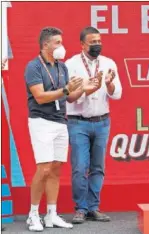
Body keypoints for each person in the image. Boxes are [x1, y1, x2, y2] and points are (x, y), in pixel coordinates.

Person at [24, 27, 83, 231]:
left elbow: (68, 97)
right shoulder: (33, 67)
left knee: (56, 168)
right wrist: (66, 89)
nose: (61, 46)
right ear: (45, 44)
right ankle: (33, 214)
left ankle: (51, 215)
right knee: (44, 168)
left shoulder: (62, 67)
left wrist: (82, 88)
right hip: (41, 121)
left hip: (60, 121)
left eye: (61, 42)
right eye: (57, 42)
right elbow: (40, 96)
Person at [65, 26, 122, 224]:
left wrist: (109, 84)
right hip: (78, 122)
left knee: (98, 167)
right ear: (82, 44)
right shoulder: (71, 64)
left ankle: (93, 207)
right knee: (80, 167)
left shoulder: (108, 63)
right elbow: (68, 99)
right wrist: (86, 89)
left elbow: (117, 94)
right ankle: (80, 208)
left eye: (99, 41)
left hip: (102, 122)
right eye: (93, 42)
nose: (97, 45)